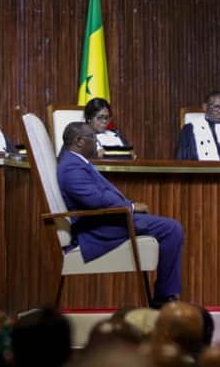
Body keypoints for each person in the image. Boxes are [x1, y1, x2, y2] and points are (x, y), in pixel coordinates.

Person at [58, 122, 184, 306]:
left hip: (110, 219)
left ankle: (165, 295)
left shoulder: (75, 162)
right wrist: (130, 207)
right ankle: (164, 298)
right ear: (78, 141)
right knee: (172, 229)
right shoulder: (71, 166)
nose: (96, 142)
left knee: (170, 227)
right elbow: (95, 200)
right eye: (93, 138)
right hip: (99, 229)